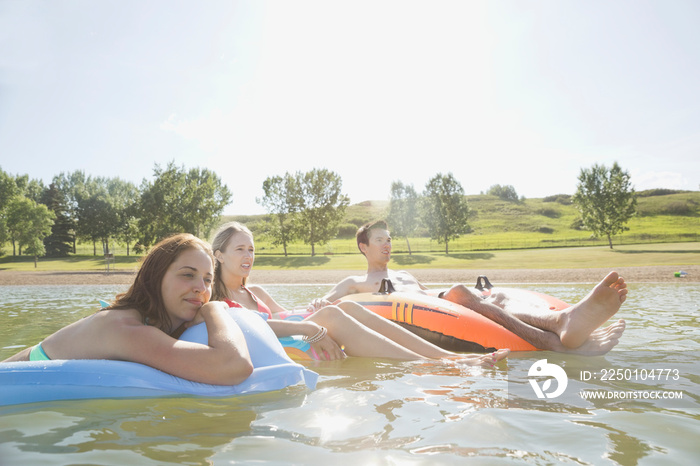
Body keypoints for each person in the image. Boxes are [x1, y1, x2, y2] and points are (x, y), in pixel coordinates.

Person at [210, 221, 509, 365]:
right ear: (219, 255)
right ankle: (438, 365)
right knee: (331, 313)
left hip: (298, 328)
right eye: (240, 249)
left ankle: (447, 357)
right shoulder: (217, 301)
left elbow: (282, 313)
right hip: (282, 341)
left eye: (251, 249)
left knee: (346, 308)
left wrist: (314, 308)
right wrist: (311, 324)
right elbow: (257, 325)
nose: (249, 255)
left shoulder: (256, 291)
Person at [318, 220, 628, 355]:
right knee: (461, 291)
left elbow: (429, 296)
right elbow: (323, 304)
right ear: (363, 246)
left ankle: (562, 322)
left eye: (389, 239)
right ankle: (558, 336)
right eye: (379, 240)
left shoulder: (405, 273)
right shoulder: (355, 283)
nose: (387, 245)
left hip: (431, 304)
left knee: (499, 295)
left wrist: (476, 297)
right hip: (401, 310)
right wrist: (321, 304)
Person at [2, 234, 255, 386]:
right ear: (156, 278)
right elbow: (235, 365)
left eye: (208, 280)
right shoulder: (125, 328)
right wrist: (216, 309)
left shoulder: (152, 321)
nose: (201, 288)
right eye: (188, 275)